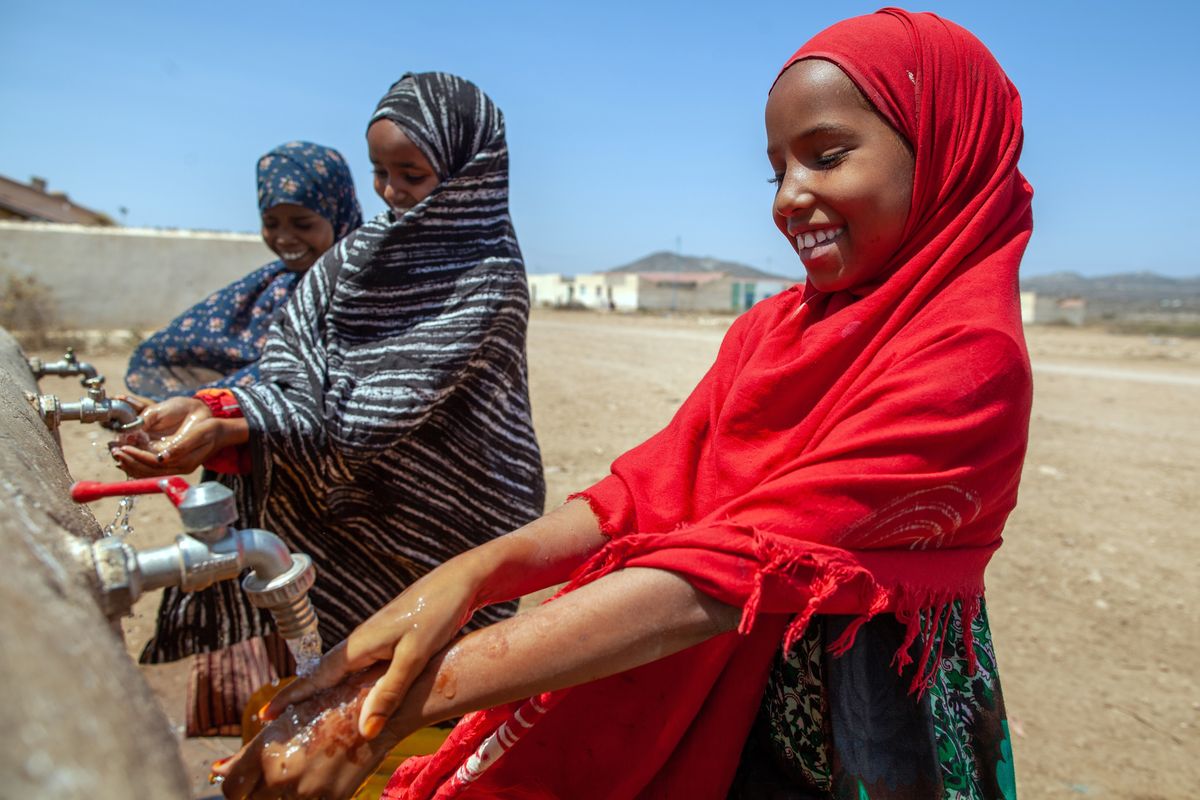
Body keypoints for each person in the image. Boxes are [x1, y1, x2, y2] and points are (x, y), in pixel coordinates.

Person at [217, 9, 1033, 799]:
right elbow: (646, 492)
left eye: (825, 156)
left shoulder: (968, 362)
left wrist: (383, 710)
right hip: (711, 692)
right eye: (777, 169)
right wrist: (469, 575)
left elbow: (725, 574)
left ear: (943, 151)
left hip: (861, 726)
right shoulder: (776, 330)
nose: (789, 197)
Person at [113, 73, 546, 738]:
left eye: (412, 174)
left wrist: (242, 423)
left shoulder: (487, 279)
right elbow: (292, 356)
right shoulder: (361, 254)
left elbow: (379, 413)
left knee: (401, 707)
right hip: (341, 508)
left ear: (469, 172)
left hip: (436, 522)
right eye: (379, 173)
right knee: (311, 694)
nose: (392, 193)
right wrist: (217, 406)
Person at [125, 141, 362, 400]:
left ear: (340, 214)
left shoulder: (364, 289)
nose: (284, 238)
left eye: (302, 224)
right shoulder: (273, 285)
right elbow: (177, 345)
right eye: (271, 223)